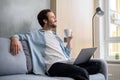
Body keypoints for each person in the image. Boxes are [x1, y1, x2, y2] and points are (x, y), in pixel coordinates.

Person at [10, 9, 100, 80]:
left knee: (96, 65)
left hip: (66, 63)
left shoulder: (56, 36)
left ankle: (75, 72)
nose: (56, 19)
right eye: (53, 17)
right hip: (54, 66)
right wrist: (14, 39)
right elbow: (17, 36)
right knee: (82, 72)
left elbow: (67, 53)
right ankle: (78, 72)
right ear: (45, 20)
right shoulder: (35, 34)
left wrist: (69, 41)